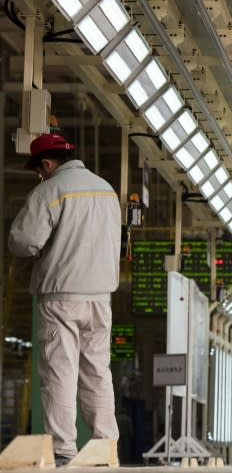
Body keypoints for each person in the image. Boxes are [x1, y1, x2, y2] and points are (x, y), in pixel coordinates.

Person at [8, 133, 121, 467]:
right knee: (98, 373)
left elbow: (23, 242)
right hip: (100, 298)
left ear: (46, 164)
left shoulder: (50, 191)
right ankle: (105, 447)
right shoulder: (106, 190)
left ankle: (63, 450)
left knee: (60, 373)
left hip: (61, 297)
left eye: (39, 170)